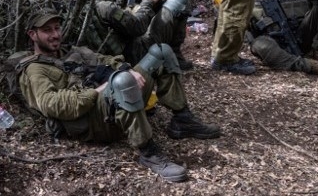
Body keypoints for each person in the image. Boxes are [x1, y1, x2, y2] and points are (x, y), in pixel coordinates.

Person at [17, 9, 221, 183]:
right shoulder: (35, 70)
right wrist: (99, 89)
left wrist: (125, 68)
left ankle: (182, 119)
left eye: (56, 28)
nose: (55, 34)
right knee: (122, 82)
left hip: (108, 103)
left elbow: (104, 59)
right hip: (90, 122)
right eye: (47, 31)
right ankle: (148, 152)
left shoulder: (72, 51)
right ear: (32, 35)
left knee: (161, 52)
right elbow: (50, 104)